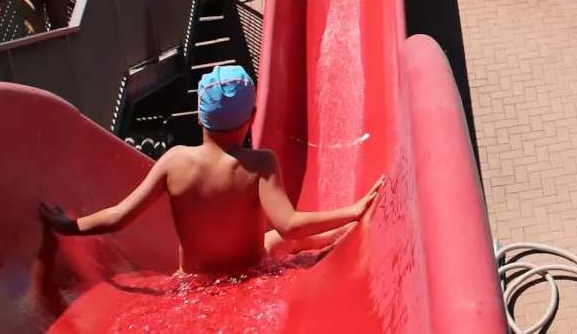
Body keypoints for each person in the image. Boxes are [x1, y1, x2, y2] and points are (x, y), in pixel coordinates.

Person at [42, 66, 384, 277]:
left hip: (194, 278)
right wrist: (353, 209)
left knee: (275, 239)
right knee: (279, 239)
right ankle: (348, 229)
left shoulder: (174, 161)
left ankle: (344, 227)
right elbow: (289, 224)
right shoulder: (260, 164)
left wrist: (68, 225)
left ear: (199, 117)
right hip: (251, 270)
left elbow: (119, 217)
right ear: (251, 118)